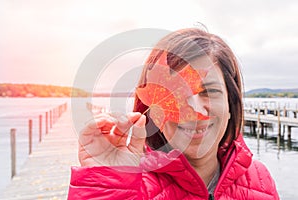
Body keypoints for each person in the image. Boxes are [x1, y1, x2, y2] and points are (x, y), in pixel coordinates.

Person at [68, 28, 279, 199]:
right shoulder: (130, 185)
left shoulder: (260, 180)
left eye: (209, 92)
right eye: (174, 94)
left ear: (231, 105)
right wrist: (105, 183)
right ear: (152, 113)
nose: (194, 111)